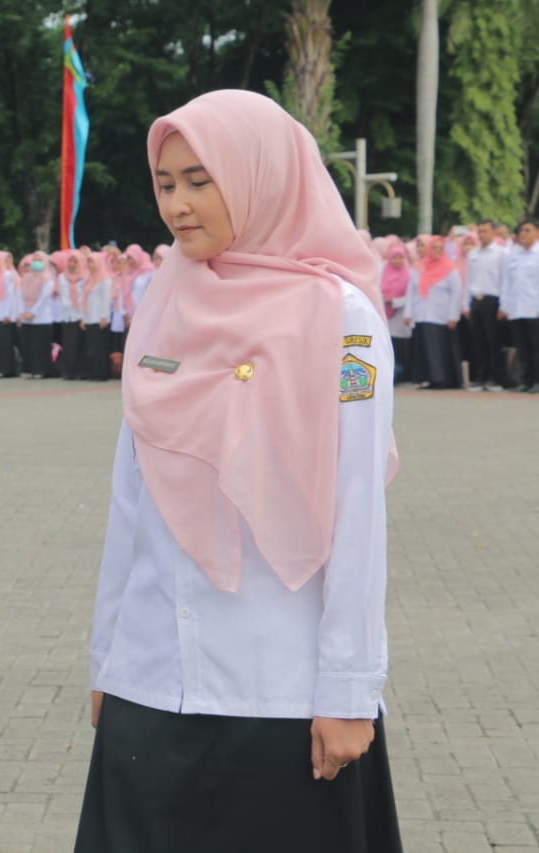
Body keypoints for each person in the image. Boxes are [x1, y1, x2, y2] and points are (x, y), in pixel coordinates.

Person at [75, 90, 402, 852]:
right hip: (152, 677)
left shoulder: (344, 318)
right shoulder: (163, 295)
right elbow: (133, 497)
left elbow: (358, 509)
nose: (179, 205)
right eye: (165, 183)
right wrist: (109, 659)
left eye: (201, 179)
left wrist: (350, 688)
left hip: (280, 687)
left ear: (261, 175)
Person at [404, 235, 464, 389]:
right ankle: (429, 378)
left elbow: (456, 293)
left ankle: (443, 379)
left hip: (441, 316)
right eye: (434, 247)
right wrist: (408, 313)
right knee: (425, 348)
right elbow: (411, 292)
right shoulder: (419, 268)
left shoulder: (450, 269)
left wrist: (453, 316)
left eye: (440, 248)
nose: (437, 250)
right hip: (422, 314)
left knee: (439, 349)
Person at [463, 219, 508, 390]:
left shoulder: (501, 253)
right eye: (479, 231)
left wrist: (504, 305)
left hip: (493, 300)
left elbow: (504, 280)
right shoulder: (473, 254)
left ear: (494, 232)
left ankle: (494, 378)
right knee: (478, 341)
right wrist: (466, 304)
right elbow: (468, 280)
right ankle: (480, 378)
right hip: (476, 300)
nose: (482, 235)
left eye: (485, 231)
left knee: (493, 341)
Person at [501, 217, 539, 392]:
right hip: (517, 309)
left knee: (536, 347)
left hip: (535, 309)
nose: (523, 234)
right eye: (521, 231)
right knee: (522, 347)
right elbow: (507, 283)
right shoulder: (514, 255)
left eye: (528, 230)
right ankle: (526, 380)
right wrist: (505, 306)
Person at [16, 251, 58, 378]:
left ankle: (41, 370)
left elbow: (43, 299)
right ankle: (31, 370)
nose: (36, 262)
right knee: (28, 345)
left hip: (42, 318)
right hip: (26, 318)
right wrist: (22, 312)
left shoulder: (47, 278)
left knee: (40, 346)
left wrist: (33, 313)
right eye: (34, 259)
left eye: (39, 260)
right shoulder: (26, 277)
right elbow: (19, 296)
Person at [381, 244, 415, 384]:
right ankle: (392, 374)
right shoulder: (383, 272)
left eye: (401, 257)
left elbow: (411, 295)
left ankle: (402, 374)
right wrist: (385, 301)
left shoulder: (409, 274)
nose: (398, 260)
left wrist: (394, 301)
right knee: (390, 344)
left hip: (402, 314)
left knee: (402, 346)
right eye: (394, 257)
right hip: (387, 314)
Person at [78, 251, 112, 381]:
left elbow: (106, 300)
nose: (90, 265)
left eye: (92, 262)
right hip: (89, 318)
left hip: (100, 318)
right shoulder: (88, 279)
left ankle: (101, 374)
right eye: (88, 262)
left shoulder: (105, 279)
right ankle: (92, 373)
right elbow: (83, 299)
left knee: (100, 348)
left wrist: (104, 317)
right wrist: (83, 318)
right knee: (91, 347)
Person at [55, 251, 87, 380]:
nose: (72, 264)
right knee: (68, 345)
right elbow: (60, 294)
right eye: (70, 261)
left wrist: (84, 316)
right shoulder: (62, 276)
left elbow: (85, 298)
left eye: (75, 261)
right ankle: (68, 372)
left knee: (79, 344)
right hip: (66, 315)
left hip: (79, 315)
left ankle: (80, 372)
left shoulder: (85, 276)